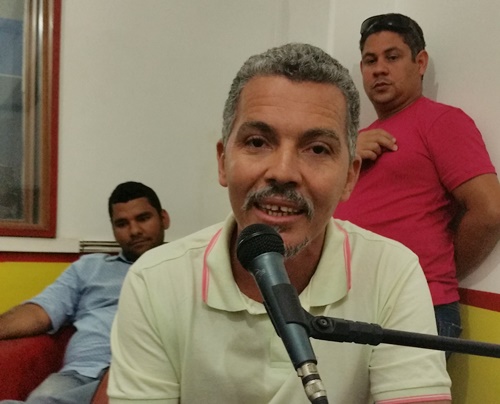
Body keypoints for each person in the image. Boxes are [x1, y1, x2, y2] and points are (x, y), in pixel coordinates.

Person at [108, 43, 451, 403]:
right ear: (223, 162)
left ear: (349, 177)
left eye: (317, 149)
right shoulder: (155, 280)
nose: (283, 172)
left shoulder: (391, 272)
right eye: (258, 142)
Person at [334, 13, 500, 341]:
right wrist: (345, 153)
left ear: (420, 62)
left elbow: (490, 211)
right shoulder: (356, 141)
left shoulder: (441, 121)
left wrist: (435, 273)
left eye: (392, 57)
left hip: (414, 307)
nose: (379, 69)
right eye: (370, 61)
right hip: (351, 305)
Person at [0, 181, 170, 404]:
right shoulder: (89, 268)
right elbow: (40, 312)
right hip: (82, 373)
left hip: (145, 376)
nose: (135, 231)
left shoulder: (184, 269)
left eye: (143, 218)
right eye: (122, 224)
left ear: (164, 218)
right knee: (45, 397)